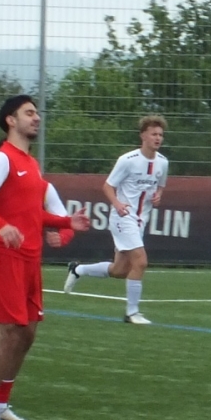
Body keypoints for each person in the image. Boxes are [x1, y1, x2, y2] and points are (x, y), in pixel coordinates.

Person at [0, 94, 89, 420]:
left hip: (31, 259)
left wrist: (67, 223)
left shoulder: (31, 164)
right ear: (11, 120)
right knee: (9, 333)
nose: (37, 118)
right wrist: (1, 226)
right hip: (6, 257)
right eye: (29, 113)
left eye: (37, 113)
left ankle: (0, 403)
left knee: (28, 334)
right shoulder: (2, 159)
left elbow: (33, 213)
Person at [63, 115, 169, 325]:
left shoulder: (163, 162)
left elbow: (161, 186)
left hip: (140, 221)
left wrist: (158, 196)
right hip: (122, 218)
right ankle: (132, 313)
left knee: (120, 270)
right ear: (143, 136)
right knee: (141, 262)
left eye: (160, 135)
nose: (158, 138)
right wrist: (118, 204)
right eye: (154, 134)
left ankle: (78, 269)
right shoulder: (128, 160)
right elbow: (108, 186)